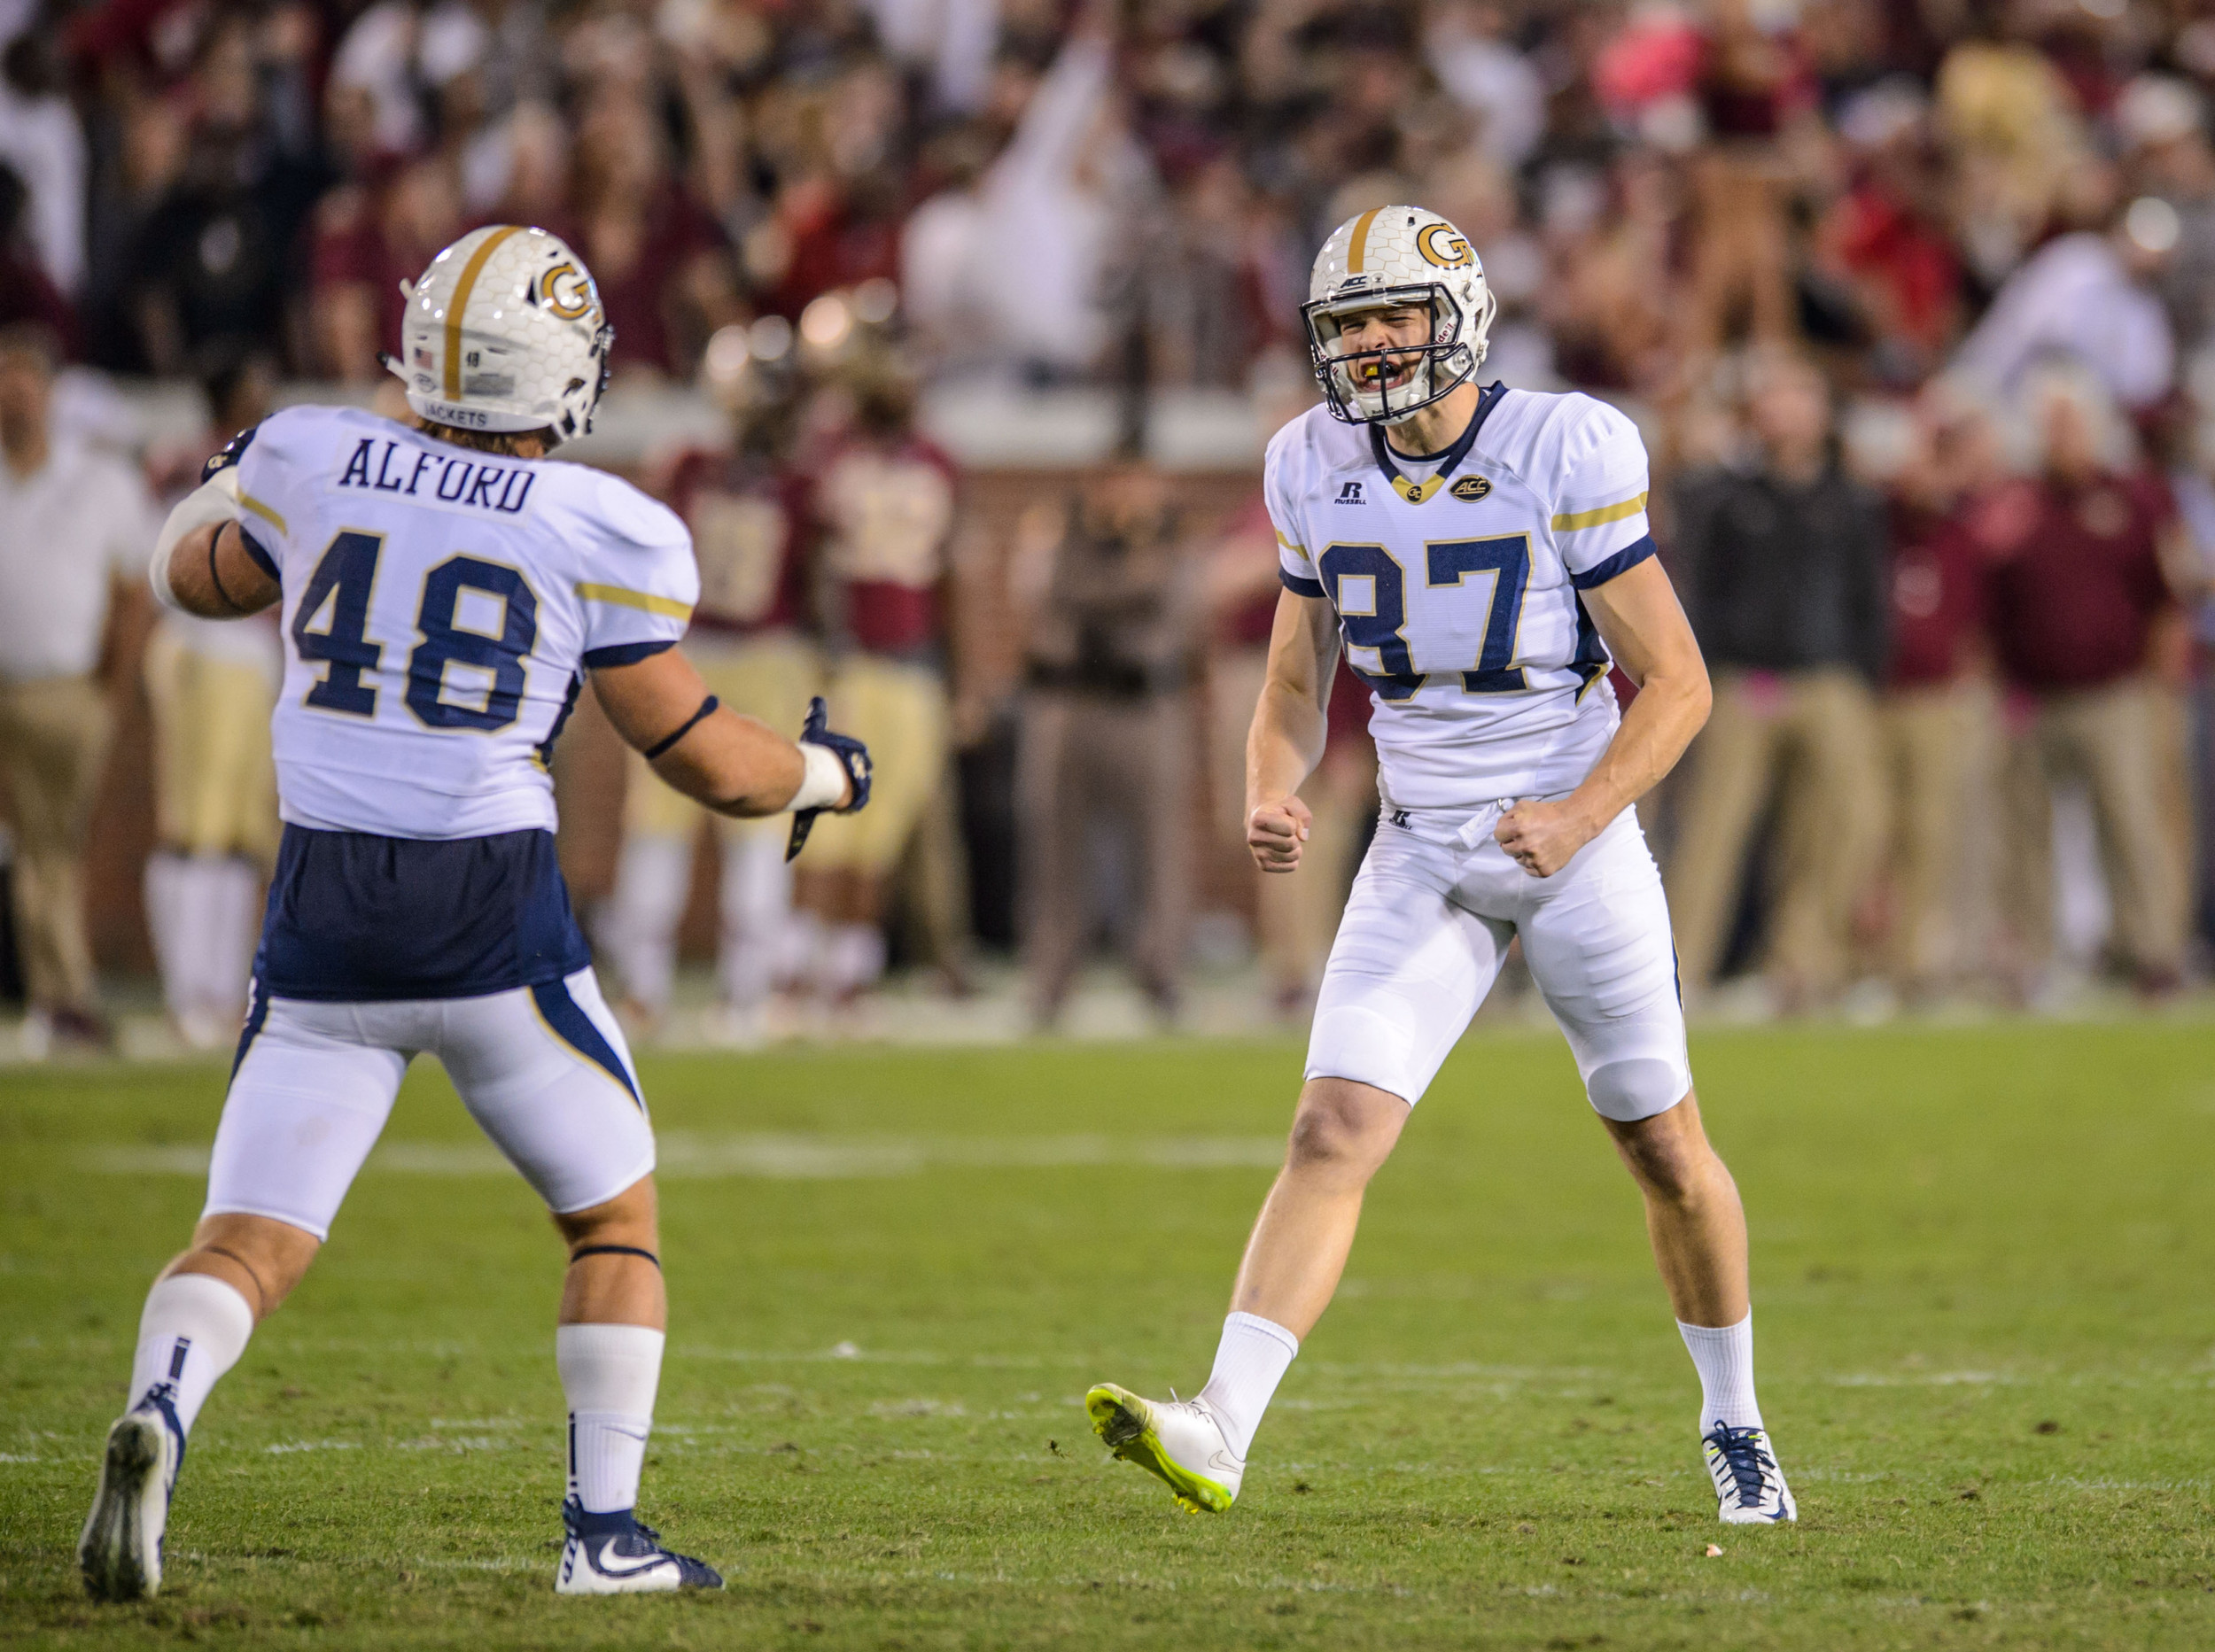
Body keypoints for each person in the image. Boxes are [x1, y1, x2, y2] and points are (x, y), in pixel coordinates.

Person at [77, 226, 872, 1603]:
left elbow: (188, 575)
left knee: (247, 1236)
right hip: (489, 907)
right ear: (559, 374)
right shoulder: (601, 523)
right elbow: (696, 756)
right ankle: (603, 1537)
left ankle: (162, 1403)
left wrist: (220, 490)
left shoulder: (308, 454)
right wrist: (824, 770)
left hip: (322, 904)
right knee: (614, 1216)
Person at [1085, 206, 1795, 1526]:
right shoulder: (1309, 460)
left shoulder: (1561, 445)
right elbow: (1297, 670)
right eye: (1345, 326)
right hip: (1418, 844)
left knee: (1665, 1148)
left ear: (1457, 313)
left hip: (1571, 844)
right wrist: (1268, 784)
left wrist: (1580, 817)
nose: (1365, 348)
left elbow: (1681, 684)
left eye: (1388, 317)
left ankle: (1736, 1420)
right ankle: (1222, 1425)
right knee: (1331, 1125)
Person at [599, 358, 819, 1038]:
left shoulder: (692, 465)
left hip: (693, 652)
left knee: (665, 827)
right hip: (752, 654)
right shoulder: (790, 481)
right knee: (738, 822)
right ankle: (737, 992)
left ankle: (651, 989)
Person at [1665, 353, 1890, 1007]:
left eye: (1798, 394)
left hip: (1829, 678)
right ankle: (1681, 969)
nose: (1784, 408)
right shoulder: (1725, 495)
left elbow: (1867, 594)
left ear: (1823, 411)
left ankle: (1804, 962)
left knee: (1848, 819)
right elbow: (1699, 591)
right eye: (1774, 396)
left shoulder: (1852, 498)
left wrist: (1863, 672)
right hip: (1746, 682)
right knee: (1714, 829)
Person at [1983, 366, 2202, 995]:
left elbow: (2166, 598)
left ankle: (2152, 951)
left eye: (2072, 422)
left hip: (2116, 691)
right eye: (2051, 423)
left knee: (2132, 822)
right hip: (2030, 694)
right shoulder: (2015, 504)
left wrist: (2162, 686)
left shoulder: (2133, 497)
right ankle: (2031, 955)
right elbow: (1987, 597)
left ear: (2098, 429)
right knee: (2025, 832)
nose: (2062, 435)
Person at [0, 321, 155, 1053]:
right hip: (8, 685)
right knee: (39, 849)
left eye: (25, 377)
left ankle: (62, 993)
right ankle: (64, 994)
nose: (14, 392)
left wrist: (114, 691)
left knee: (57, 847)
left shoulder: (96, 479)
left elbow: (132, 592)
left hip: (69, 688)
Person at [791, 361, 957, 1007]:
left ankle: (849, 973)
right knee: (828, 819)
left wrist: (960, 675)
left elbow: (950, 575)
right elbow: (813, 564)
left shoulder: (938, 461)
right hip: (850, 663)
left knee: (883, 829)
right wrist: (825, 647)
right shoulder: (830, 454)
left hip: (913, 666)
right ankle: (795, 965)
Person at [1014, 453, 1201, 1026]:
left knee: (1160, 846)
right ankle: (1052, 975)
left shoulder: (1172, 536)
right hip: (1070, 702)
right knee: (1054, 846)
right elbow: (1042, 595)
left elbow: (1179, 609)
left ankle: (1160, 971)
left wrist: (1121, 577)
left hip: (1146, 703)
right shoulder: (1058, 526)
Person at [142, 353, 284, 1049]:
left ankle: (219, 992)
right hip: (207, 647)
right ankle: (191, 991)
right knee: (198, 832)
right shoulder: (208, 468)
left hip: (243, 656)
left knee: (235, 836)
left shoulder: (239, 466)